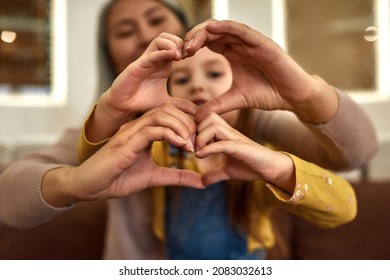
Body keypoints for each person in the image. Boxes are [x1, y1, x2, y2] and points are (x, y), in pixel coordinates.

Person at [0, 0, 377, 257]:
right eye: (124, 30)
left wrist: (306, 93)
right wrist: (76, 181)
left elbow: (356, 155)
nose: (145, 34)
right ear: (112, 57)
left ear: (185, 32)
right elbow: (10, 202)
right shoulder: (105, 130)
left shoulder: (251, 123)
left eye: (156, 18)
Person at [78, 34, 358, 259]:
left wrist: (276, 167)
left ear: (244, 91)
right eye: (182, 79)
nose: (198, 86)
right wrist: (112, 108)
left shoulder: (258, 159)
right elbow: (90, 167)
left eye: (213, 74)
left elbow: (344, 208)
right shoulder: (158, 150)